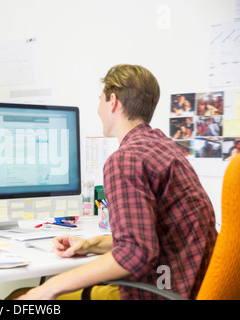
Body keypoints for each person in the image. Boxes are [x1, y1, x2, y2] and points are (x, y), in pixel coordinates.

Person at [16, 64, 217, 300]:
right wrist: (90, 245)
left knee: (22, 296)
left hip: (162, 291)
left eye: (99, 99)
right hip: (193, 286)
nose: (98, 108)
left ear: (113, 101)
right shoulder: (165, 147)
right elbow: (148, 238)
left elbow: (137, 253)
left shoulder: (125, 159)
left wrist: (49, 288)